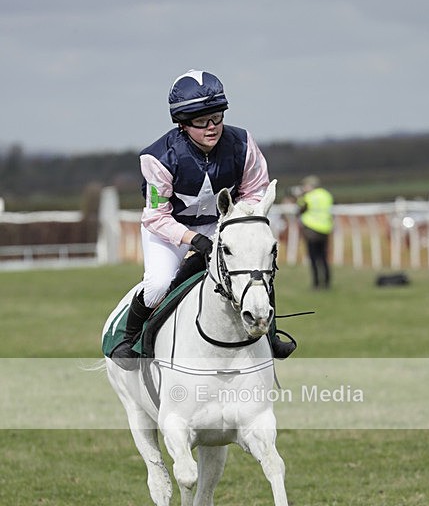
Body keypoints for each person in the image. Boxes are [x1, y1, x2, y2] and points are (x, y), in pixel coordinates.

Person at [111, 69, 296, 365]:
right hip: (170, 229)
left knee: (255, 271)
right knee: (159, 283)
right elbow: (156, 217)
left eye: (217, 117)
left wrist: (232, 223)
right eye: (201, 121)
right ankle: (131, 338)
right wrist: (193, 239)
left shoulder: (243, 144)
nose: (212, 127)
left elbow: (256, 192)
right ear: (182, 124)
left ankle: (269, 334)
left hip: (224, 223)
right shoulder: (158, 158)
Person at [297, 175, 334, 288]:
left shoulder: (308, 196)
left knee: (313, 258)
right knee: (323, 257)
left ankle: (316, 283)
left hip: (311, 229)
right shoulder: (326, 195)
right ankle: (327, 282)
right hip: (325, 229)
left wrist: (300, 196)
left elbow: (301, 208)